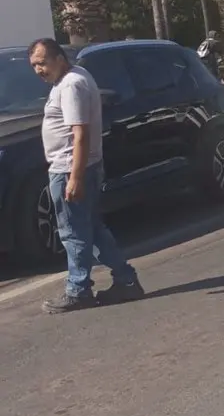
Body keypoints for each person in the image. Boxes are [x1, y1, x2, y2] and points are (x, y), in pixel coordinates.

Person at [30, 38, 145, 313]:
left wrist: (75, 177)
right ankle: (126, 281)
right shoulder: (72, 80)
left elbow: (80, 134)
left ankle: (79, 290)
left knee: (74, 234)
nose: (39, 70)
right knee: (92, 229)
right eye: (34, 65)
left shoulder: (71, 85)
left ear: (59, 58)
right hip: (76, 167)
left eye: (43, 63)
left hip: (72, 168)